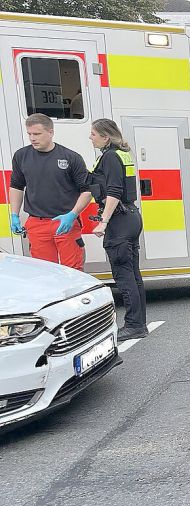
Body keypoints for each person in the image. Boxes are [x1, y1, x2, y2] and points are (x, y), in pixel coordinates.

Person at [88, 119, 148, 341]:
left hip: (119, 221)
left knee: (124, 276)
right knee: (133, 274)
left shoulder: (111, 157)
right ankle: (139, 324)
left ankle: (134, 325)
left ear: (105, 136)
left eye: (93, 134)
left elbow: (113, 190)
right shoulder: (120, 154)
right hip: (129, 217)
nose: (90, 137)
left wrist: (103, 220)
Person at [8, 114, 91, 269]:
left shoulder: (70, 157)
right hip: (37, 224)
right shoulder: (21, 156)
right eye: (29, 134)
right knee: (44, 272)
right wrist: (14, 215)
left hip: (65, 222)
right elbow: (16, 186)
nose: (32, 138)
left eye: (37, 134)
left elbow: (87, 191)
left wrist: (72, 214)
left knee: (73, 270)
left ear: (51, 132)